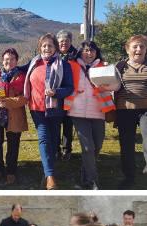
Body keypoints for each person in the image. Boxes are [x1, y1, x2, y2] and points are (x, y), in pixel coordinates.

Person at [114, 35, 147, 189]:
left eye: (142, 46)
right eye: (135, 46)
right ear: (127, 48)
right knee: (127, 145)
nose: (139, 49)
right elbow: (112, 86)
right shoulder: (120, 66)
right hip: (125, 110)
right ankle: (128, 178)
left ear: (146, 49)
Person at [24, 33, 74, 190]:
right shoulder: (33, 62)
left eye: (50, 45)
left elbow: (69, 88)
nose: (47, 48)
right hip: (36, 108)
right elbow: (17, 69)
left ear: (55, 48)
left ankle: (48, 168)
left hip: (55, 109)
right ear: (40, 47)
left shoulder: (64, 65)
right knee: (44, 139)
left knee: (53, 141)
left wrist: (56, 92)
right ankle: (50, 176)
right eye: (44, 45)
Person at [65, 40, 115, 190]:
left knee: (97, 145)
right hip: (77, 110)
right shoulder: (71, 65)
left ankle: (85, 172)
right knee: (87, 147)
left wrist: (106, 85)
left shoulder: (103, 66)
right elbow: (65, 83)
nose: (89, 53)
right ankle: (92, 181)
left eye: (92, 50)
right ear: (80, 51)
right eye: (86, 50)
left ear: (96, 52)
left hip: (98, 110)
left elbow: (114, 86)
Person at [0, 48, 28, 185]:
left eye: (12, 59)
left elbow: (24, 98)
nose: (9, 61)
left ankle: (11, 171)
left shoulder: (21, 77)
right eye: (6, 59)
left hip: (14, 115)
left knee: (13, 144)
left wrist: (7, 102)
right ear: (2, 61)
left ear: (16, 61)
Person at [56, 30, 79, 161]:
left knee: (68, 123)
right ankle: (56, 149)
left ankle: (67, 149)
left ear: (70, 42)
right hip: (57, 94)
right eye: (61, 41)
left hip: (72, 94)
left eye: (66, 41)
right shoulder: (53, 54)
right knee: (56, 123)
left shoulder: (77, 55)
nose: (64, 43)